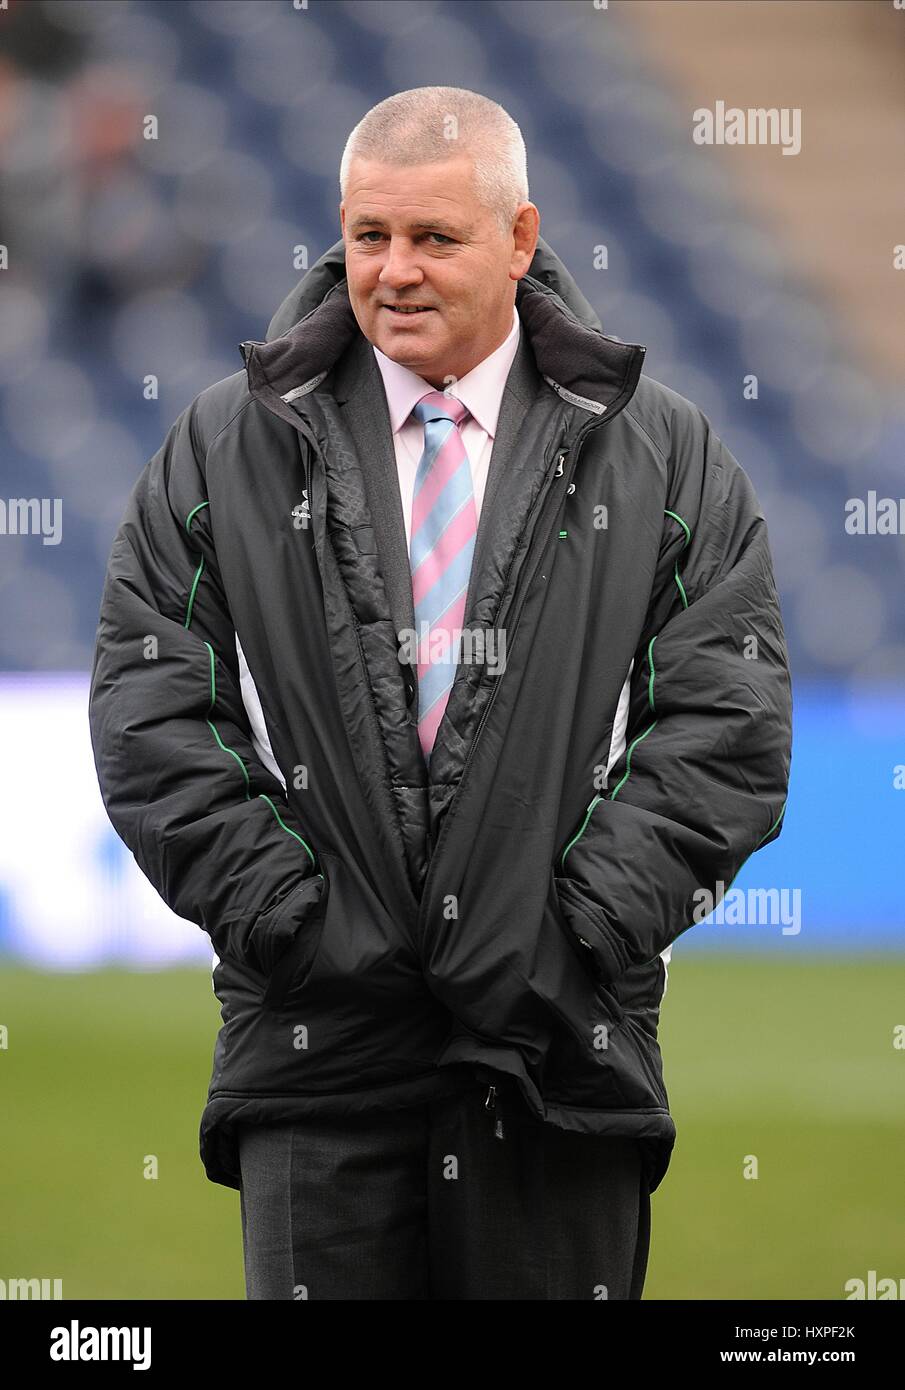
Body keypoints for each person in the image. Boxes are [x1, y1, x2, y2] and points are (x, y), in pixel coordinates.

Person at [89, 86, 792, 1301]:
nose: (394, 273)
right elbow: (151, 714)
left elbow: (727, 723)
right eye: (369, 238)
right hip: (316, 1061)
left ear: (519, 241)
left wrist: (575, 932)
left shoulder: (665, 456)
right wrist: (293, 926)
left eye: (433, 239)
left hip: (556, 1057)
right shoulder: (217, 450)